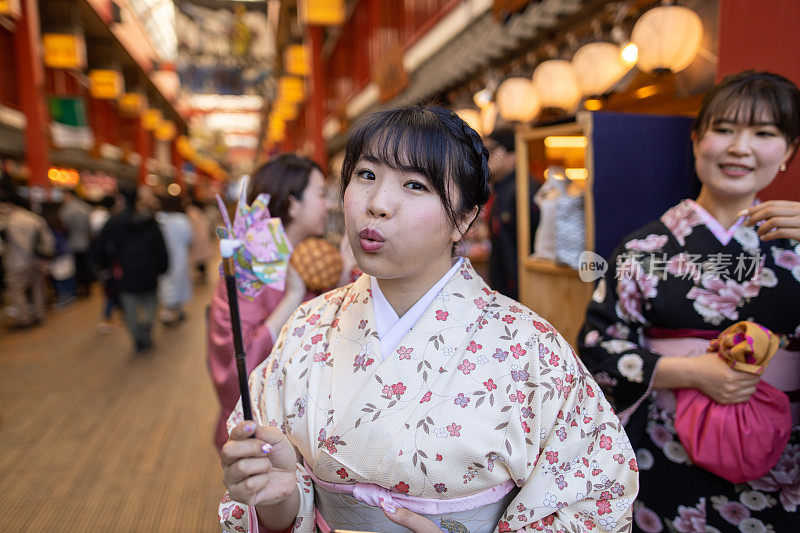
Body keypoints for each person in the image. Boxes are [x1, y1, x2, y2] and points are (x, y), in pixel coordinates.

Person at [217, 106, 637, 533]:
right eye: (365, 175)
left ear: (465, 218)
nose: (377, 204)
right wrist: (281, 500)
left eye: (415, 184)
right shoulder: (306, 328)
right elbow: (277, 492)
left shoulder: (530, 348)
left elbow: (597, 497)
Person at [576, 71, 800, 532]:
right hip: (667, 450)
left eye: (764, 133)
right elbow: (598, 349)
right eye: (724, 129)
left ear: (789, 152)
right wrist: (692, 372)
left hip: (785, 458)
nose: (741, 147)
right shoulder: (643, 250)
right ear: (697, 140)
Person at [208, 154, 334, 452]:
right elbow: (238, 363)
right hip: (264, 432)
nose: (328, 205)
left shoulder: (314, 258)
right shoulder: (246, 270)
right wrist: (292, 297)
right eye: (321, 194)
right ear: (292, 203)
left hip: (314, 430)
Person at [94, 182, 168, 353]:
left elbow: (100, 247)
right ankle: (147, 328)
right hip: (149, 270)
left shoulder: (113, 223)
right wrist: (163, 266)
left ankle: (138, 336)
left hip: (123, 273)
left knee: (129, 307)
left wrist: (104, 266)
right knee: (150, 301)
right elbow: (160, 247)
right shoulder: (150, 221)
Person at [485, 128, 539, 300]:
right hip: (506, 290)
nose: (486, 157)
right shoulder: (502, 189)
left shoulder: (523, 189)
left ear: (513, 156)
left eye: (492, 150)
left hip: (521, 291)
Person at [0, 180, 54, 328]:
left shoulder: (11, 221)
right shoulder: (34, 217)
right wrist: (43, 257)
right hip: (37, 260)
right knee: (37, 288)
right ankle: (39, 314)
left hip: (19, 262)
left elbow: (22, 244)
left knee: (17, 291)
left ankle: (24, 318)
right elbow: (47, 238)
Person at [156, 195, 193, 325]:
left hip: (161, 256)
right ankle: (178, 309)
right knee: (180, 281)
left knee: (165, 282)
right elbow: (189, 238)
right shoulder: (181, 220)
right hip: (179, 255)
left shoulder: (158, 219)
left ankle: (167, 310)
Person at [59, 188, 93, 298]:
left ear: (69, 195)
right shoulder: (86, 208)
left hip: (72, 243)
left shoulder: (66, 210)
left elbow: (63, 227)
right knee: (85, 266)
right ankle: (87, 289)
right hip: (85, 241)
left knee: (75, 268)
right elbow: (90, 227)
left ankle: (77, 290)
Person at [186, 198, 214, 284]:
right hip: (199, 238)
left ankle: (202, 274)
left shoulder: (191, 213)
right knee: (200, 258)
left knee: (199, 258)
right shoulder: (196, 213)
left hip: (197, 238)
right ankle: (202, 274)